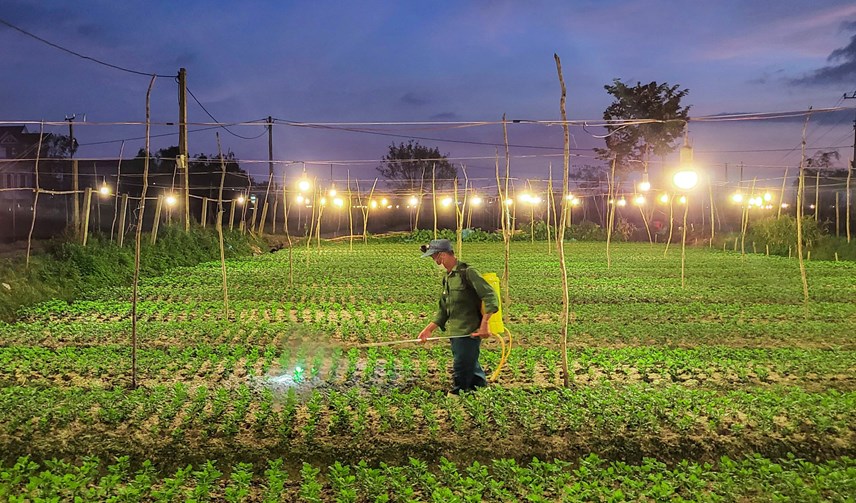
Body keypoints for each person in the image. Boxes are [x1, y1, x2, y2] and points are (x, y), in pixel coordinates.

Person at [417, 239, 499, 394]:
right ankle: (482, 391)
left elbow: (490, 296)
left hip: (469, 330)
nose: (434, 261)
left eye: (434, 257)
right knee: (470, 364)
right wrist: (429, 329)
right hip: (455, 331)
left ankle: (458, 393)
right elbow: (444, 309)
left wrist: (485, 324)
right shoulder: (448, 277)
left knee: (462, 365)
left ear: (442, 255)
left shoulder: (468, 272)